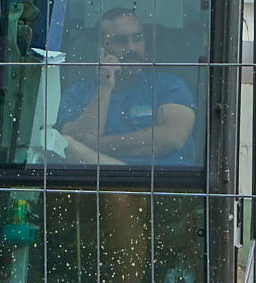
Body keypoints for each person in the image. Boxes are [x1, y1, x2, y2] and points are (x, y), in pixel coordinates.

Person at [55, 9, 197, 166]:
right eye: (120, 41)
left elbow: (172, 138)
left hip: (164, 179)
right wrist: (104, 88)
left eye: (138, 38)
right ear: (100, 49)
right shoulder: (77, 93)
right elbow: (72, 149)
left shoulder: (168, 85)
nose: (132, 48)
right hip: (103, 181)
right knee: (69, 145)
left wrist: (100, 145)